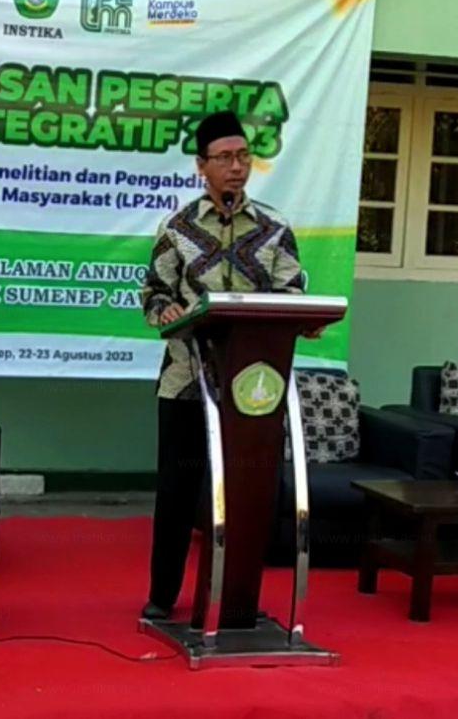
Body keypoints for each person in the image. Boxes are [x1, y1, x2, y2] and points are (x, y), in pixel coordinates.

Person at [139, 110, 307, 620]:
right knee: (177, 493)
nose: (237, 167)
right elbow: (154, 292)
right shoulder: (178, 228)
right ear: (202, 166)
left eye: (244, 157)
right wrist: (166, 311)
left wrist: (300, 317)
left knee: (248, 493)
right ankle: (162, 597)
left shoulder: (275, 229)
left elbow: (293, 290)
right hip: (187, 381)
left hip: (253, 386)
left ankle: (238, 600)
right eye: (225, 158)